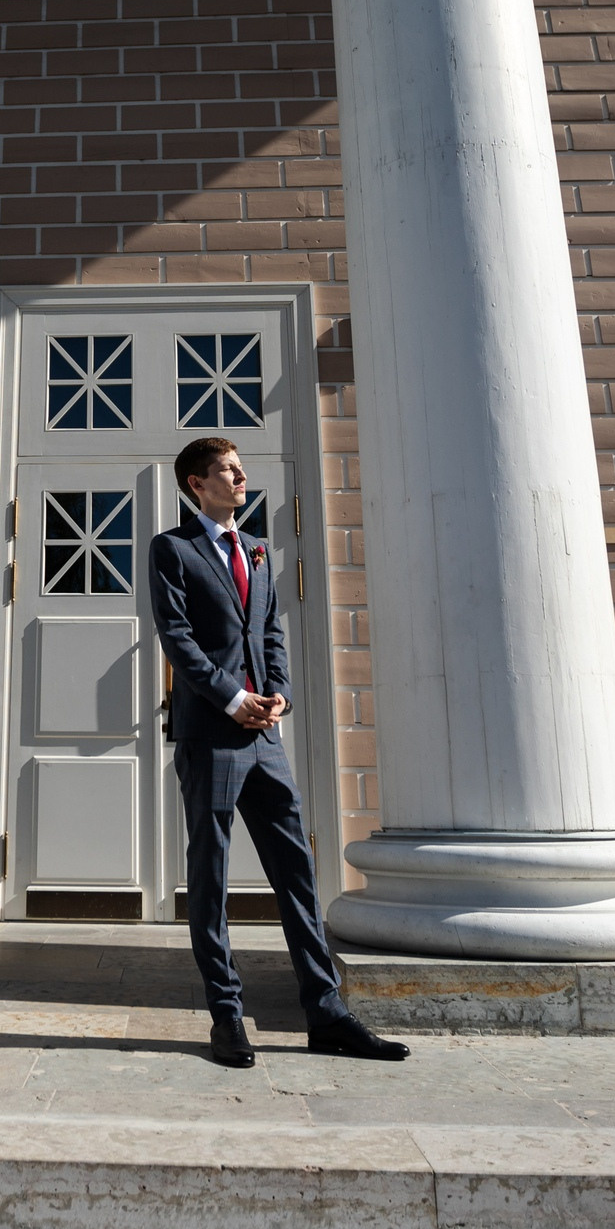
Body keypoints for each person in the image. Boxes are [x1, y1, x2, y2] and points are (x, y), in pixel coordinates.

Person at [149, 436, 409, 1067]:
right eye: (227, 470)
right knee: (211, 878)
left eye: (240, 469)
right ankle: (227, 1017)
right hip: (212, 734)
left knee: (296, 872)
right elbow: (177, 637)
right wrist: (233, 698)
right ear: (196, 484)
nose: (240, 478)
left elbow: (270, 631)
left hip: (265, 737)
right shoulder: (173, 549)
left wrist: (280, 696)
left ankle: (327, 1013)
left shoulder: (259, 549)